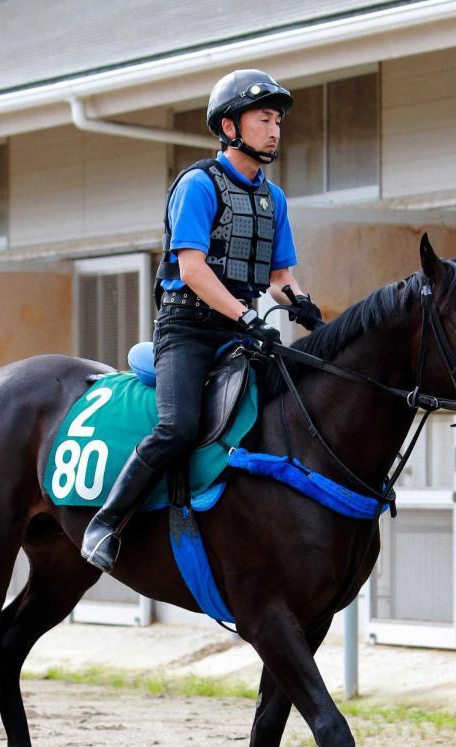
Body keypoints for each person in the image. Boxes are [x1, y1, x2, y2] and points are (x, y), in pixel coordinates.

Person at [81, 68, 323, 573]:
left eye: (278, 120)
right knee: (177, 426)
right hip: (186, 328)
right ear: (230, 126)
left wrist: (300, 300)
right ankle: (106, 523)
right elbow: (191, 269)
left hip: (240, 330)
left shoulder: (273, 198)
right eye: (264, 119)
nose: (275, 129)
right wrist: (245, 315)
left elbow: (280, 274)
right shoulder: (198, 184)